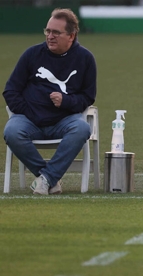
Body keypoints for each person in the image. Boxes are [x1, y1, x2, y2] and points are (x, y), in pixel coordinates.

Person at [3, 8, 96, 195]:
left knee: (82, 129)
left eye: (56, 32)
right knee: (12, 131)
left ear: (71, 35)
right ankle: (49, 178)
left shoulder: (85, 59)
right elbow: (11, 90)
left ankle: (45, 179)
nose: (50, 36)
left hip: (64, 120)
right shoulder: (32, 54)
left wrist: (66, 101)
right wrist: (29, 111)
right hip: (29, 119)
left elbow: (88, 97)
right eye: (48, 31)